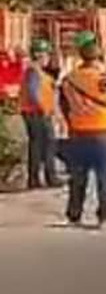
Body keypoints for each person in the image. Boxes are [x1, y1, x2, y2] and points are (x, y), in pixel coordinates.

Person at [59, 31, 106, 226]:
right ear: (97, 55)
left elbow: (63, 106)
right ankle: (104, 214)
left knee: (77, 177)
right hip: (104, 132)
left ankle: (74, 214)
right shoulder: (103, 78)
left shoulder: (69, 79)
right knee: (104, 176)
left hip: (78, 133)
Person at [18, 38, 61, 189]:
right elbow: (33, 92)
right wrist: (43, 108)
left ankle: (35, 179)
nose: (48, 59)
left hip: (34, 112)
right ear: (39, 55)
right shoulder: (33, 72)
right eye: (46, 55)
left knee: (37, 146)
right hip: (37, 113)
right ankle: (50, 177)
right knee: (47, 145)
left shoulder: (34, 71)